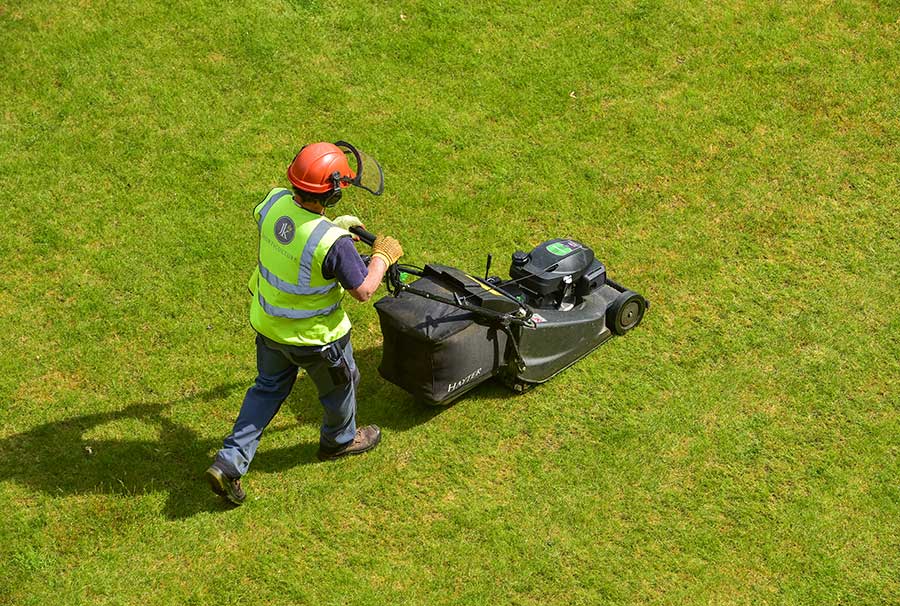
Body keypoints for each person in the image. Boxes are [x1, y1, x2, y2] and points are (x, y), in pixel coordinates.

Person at [205, 141, 403, 505]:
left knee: (266, 390)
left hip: (269, 327)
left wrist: (337, 228)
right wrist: (382, 257)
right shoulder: (335, 245)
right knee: (343, 385)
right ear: (333, 194)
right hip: (317, 341)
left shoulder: (273, 202)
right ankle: (340, 441)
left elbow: (297, 237)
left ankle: (230, 461)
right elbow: (363, 289)